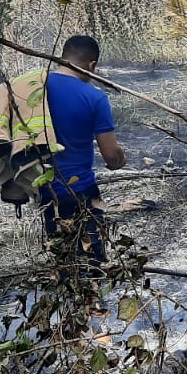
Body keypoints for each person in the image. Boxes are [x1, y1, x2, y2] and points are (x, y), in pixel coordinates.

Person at [44, 35, 126, 268]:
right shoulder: (94, 97)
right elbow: (110, 156)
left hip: (45, 189)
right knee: (92, 263)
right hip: (80, 190)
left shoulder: (36, 89)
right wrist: (120, 158)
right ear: (92, 66)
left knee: (63, 260)